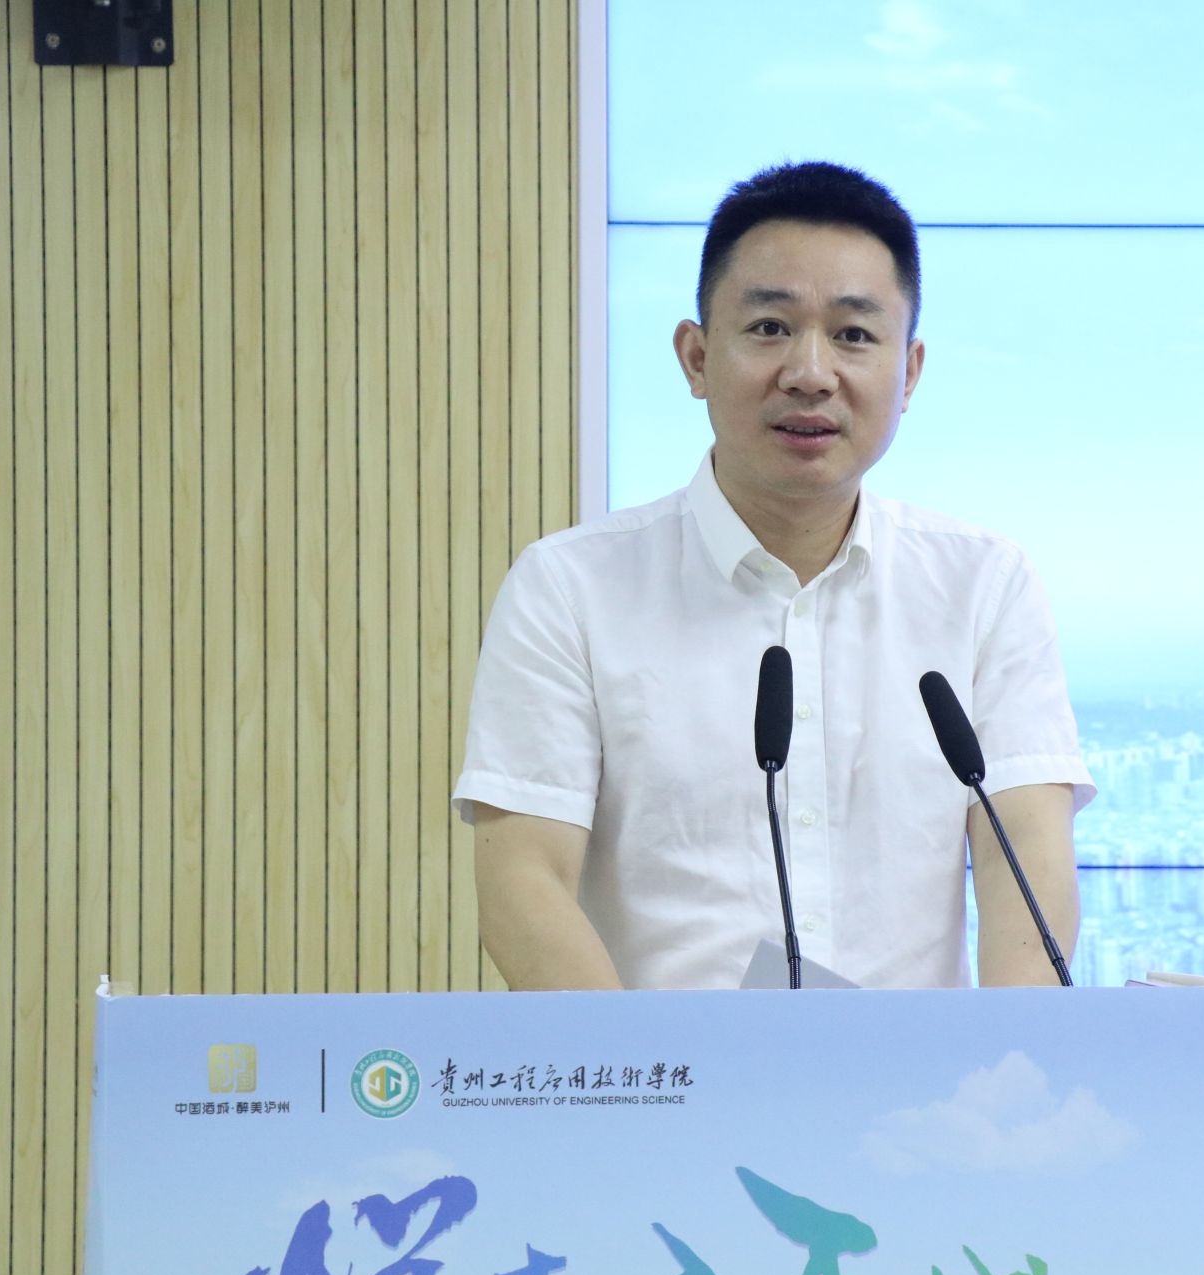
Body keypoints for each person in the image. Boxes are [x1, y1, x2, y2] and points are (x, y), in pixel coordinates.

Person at [453, 161, 1093, 990]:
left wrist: (1003, 1063)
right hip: (667, 1070)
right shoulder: (570, 588)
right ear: (695, 357)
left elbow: (1026, 862)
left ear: (908, 373)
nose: (811, 372)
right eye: (769, 327)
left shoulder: (983, 584)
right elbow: (524, 884)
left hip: (919, 1076)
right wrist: (636, 1074)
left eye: (854, 335)